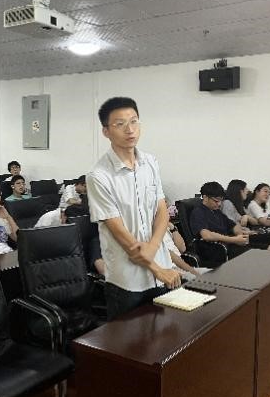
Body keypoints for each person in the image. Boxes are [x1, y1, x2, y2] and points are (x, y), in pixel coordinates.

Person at [87, 97, 181, 320]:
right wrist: (156, 268)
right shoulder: (99, 176)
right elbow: (121, 234)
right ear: (106, 131)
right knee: (128, 340)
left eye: (134, 121)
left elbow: (161, 210)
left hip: (163, 271)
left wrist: (153, 248)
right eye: (120, 124)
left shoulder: (150, 162)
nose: (129, 130)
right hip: (127, 281)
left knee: (167, 334)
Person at [189, 181, 250, 265]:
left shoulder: (216, 211)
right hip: (213, 250)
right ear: (205, 197)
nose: (219, 204)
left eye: (221, 201)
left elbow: (233, 225)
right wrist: (234, 240)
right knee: (249, 256)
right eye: (216, 201)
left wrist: (240, 235)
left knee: (253, 249)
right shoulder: (198, 212)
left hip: (227, 245)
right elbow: (206, 235)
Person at [223, 179, 270, 249]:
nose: (247, 191)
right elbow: (230, 226)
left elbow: (256, 222)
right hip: (240, 238)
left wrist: (247, 217)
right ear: (240, 191)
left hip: (248, 234)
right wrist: (248, 232)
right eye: (246, 189)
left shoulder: (241, 206)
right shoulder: (227, 203)